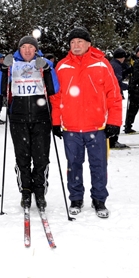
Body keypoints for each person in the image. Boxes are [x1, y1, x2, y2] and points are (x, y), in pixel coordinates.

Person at [50, 27, 122, 219]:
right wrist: (56, 122)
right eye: (73, 42)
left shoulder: (102, 64)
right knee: (73, 164)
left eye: (80, 42)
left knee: (98, 165)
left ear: (89, 44)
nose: (76, 45)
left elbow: (114, 95)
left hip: (97, 127)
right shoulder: (62, 66)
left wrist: (114, 122)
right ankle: (76, 198)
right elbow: (56, 98)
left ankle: (99, 199)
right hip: (71, 128)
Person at [8, 36, 59, 210]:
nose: (28, 50)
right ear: (19, 49)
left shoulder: (44, 63)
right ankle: (25, 191)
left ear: (36, 50)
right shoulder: (12, 64)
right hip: (18, 118)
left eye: (31, 47)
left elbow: (54, 89)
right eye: (24, 47)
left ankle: (39, 192)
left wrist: (47, 70)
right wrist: (1, 70)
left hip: (41, 117)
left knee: (41, 158)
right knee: (22, 157)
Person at [109, 47, 131, 149]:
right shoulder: (116, 66)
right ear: (122, 57)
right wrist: (129, 87)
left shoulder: (111, 63)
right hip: (114, 95)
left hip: (109, 94)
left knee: (111, 117)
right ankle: (113, 140)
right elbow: (117, 82)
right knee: (115, 118)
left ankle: (110, 139)